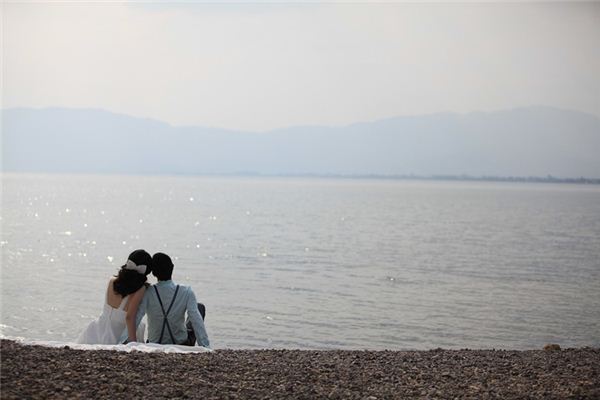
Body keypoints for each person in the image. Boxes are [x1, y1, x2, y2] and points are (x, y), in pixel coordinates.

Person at [132, 252, 209, 347]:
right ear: (172, 268)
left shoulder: (148, 292)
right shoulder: (186, 291)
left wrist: (128, 342)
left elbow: (137, 317)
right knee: (199, 307)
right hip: (182, 344)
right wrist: (206, 347)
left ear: (154, 273)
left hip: (154, 343)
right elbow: (196, 321)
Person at [76, 249, 152, 344]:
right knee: (139, 326)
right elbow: (129, 317)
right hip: (119, 333)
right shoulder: (141, 289)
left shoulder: (112, 280)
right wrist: (133, 342)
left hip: (97, 330)